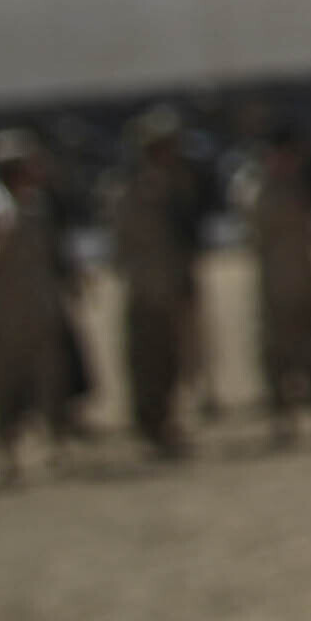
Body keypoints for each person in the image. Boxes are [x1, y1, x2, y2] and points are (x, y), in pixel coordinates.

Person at [0, 135, 76, 484]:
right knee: (4, 383)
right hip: (6, 315)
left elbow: (53, 255)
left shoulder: (38, 209)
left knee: (51, 377)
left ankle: (54, 439)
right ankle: (4, 447)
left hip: (42, 307)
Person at [238, 118, 311, 441]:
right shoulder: (256, 184)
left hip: (308, 278)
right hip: (275, 282)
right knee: (278, 354)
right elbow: (258, 219)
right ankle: (282, 418)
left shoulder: (302, 183)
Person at [108, 110, 207, 462]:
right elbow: (127, 243)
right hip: (148, 289)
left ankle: (166, 422)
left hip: (174, 285)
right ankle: (152, 426)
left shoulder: (177, 184)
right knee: (148, 362)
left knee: (174, 361)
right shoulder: (131, 191)